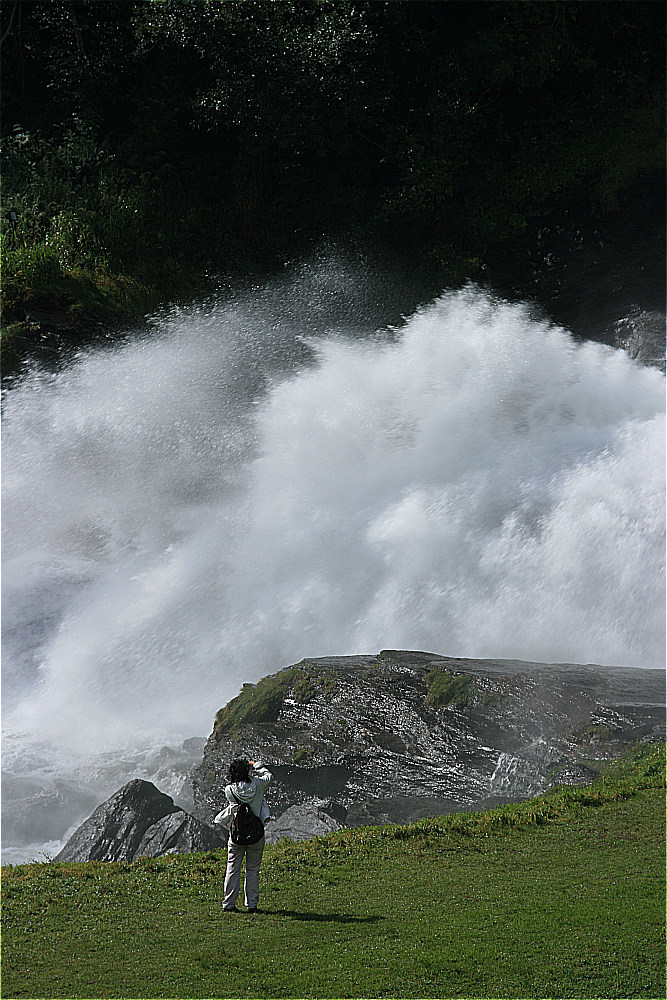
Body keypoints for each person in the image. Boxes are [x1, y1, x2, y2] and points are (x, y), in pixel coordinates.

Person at [214, 757, 272, 913]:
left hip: (237, 834)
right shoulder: (258, 786)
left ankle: (228, 904)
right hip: (255, 834)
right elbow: (268, 776)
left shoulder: (229, 790)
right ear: (247, 771)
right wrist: (256, 766)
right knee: (252, 869)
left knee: (232, 868)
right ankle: (252, 905)